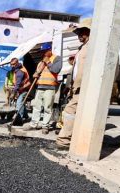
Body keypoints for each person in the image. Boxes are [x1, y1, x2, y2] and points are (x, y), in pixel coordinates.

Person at [56, 20, 91, 149]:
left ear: (90, 31)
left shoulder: (93, 46)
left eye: (82, 32)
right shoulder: (82, 48)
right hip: (77, 88)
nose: (79, 35)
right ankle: (76, 138)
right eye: (78, 33)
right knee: (76, 113)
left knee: (69, 111)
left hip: (86, 87)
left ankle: (64, 140)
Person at [23, 42, 62, 134]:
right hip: (40, 86)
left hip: (50, 87)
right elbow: (38, 73)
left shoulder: (57, 58)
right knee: (36, 106)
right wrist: (35, 74)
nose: (43, 53)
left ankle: (45, 125)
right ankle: (33, 124)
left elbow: (56, 70)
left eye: (45, 51)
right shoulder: (41, 61)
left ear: (50, 50)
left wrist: (48, 62)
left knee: (47, 107)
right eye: (42, 51)